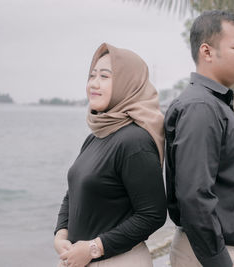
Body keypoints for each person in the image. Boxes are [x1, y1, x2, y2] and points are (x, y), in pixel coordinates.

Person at [164, 10, 234, 267]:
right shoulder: (201, 107)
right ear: (207, 52)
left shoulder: (212, 103)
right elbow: (194, 197)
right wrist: (220, 262)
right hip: (212, 255)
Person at [53, 43, 167, 267]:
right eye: (92, 75)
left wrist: (94, 248)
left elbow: (152, 215)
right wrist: (61, 234)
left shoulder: (135, 141)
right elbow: (73, 191)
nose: (93, 84)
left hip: (119, 260)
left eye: (104, 76)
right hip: (80, 258)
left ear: (128, 83)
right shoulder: (97, 135)